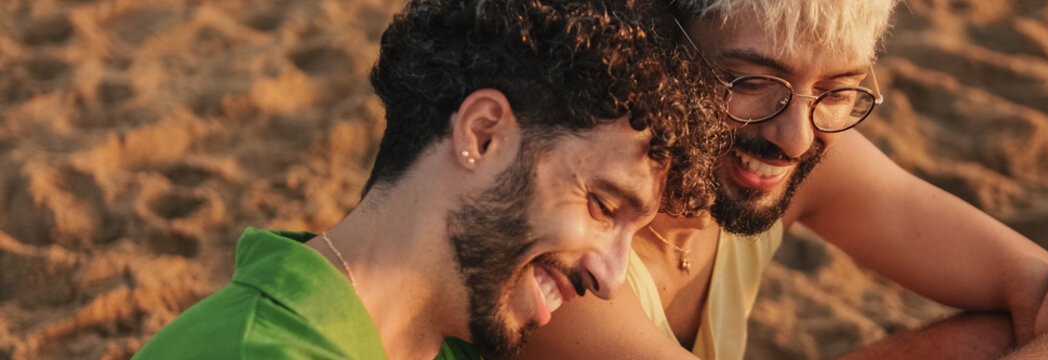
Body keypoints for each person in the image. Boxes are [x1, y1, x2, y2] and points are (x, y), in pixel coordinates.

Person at [130, 0, 726, 358]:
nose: (612, 278)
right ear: (483, 134)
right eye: (601, 206)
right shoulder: (259, 353)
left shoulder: (459, 343)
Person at [517, 0, 1048, 359]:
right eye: (752, 80)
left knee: (997, 340)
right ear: (654, 41)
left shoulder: (793, 151)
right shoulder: (568, 233)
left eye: (837, 89)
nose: (796, 139)